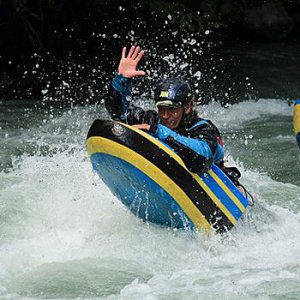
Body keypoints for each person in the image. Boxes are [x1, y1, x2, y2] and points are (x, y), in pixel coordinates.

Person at [105, 45, 242, 186]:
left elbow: (201, 159)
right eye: (161, 109)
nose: (165, 115)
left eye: (172, 110)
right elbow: (119, 114)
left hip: (213, 184)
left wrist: (158, 131)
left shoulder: (203, 129)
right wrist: (121, 80)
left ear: (187, 107)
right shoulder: (153, 120)